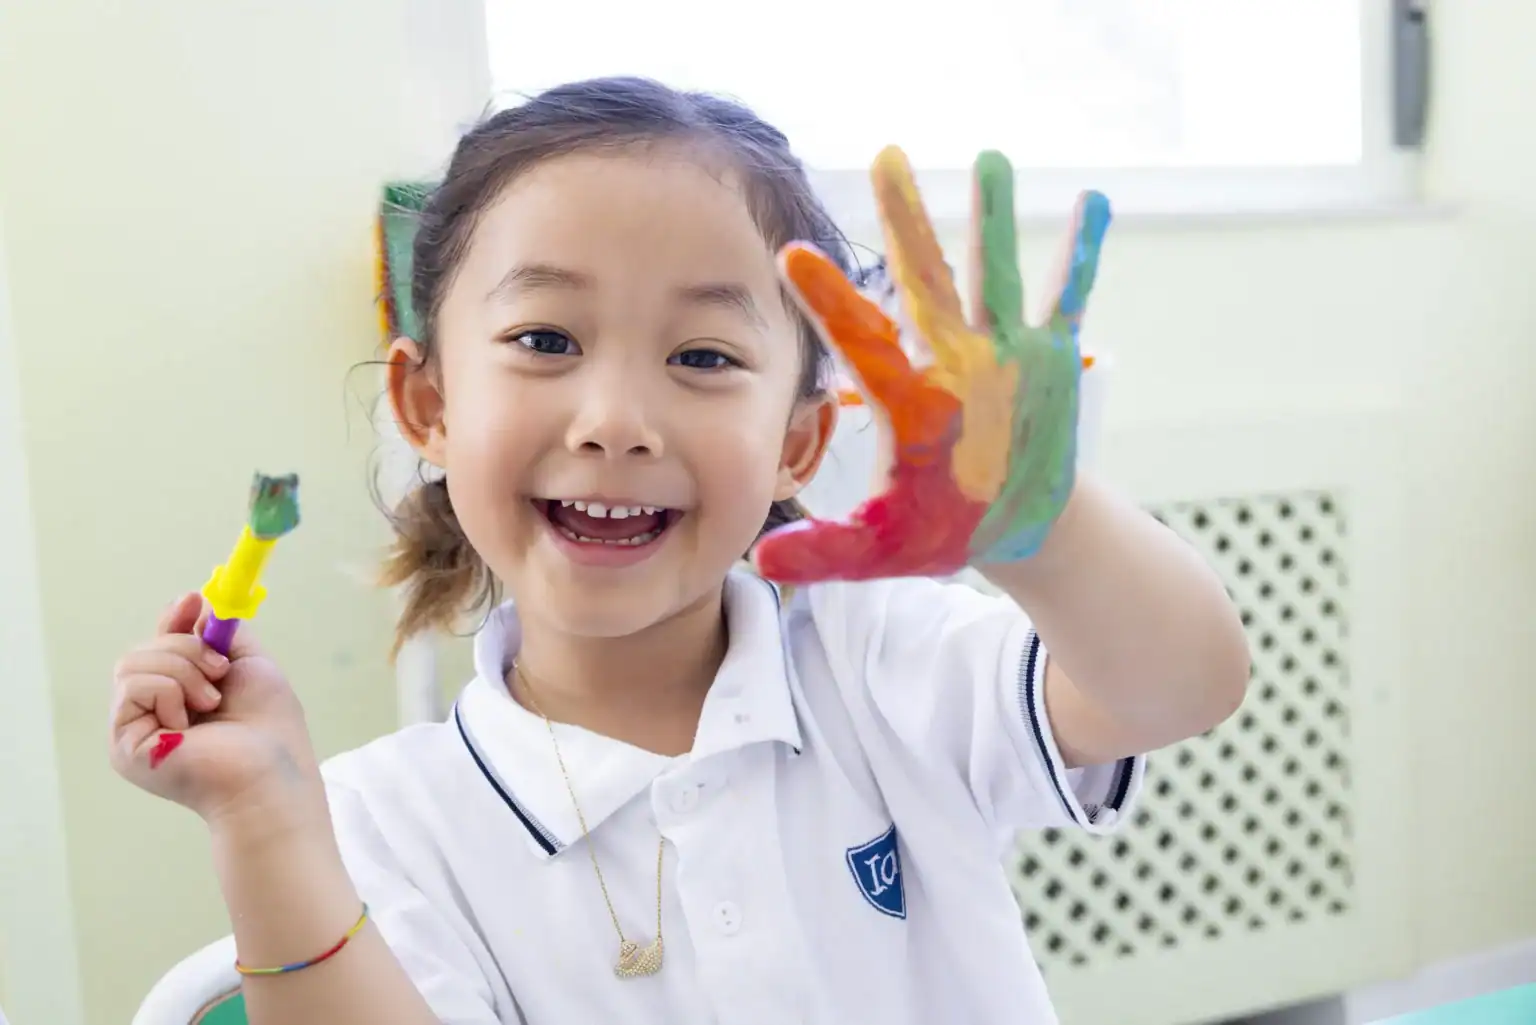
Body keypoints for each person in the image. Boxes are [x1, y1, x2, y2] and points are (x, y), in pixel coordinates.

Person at [109, 77, 1249, 1025]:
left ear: (800, 437)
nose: (616, 417)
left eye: (703, 356)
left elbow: (1182, 686)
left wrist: (1035, 528)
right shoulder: (379, 821)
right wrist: (263, 822)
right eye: (545, 338)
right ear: (428, 405)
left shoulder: (883, 662)